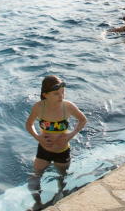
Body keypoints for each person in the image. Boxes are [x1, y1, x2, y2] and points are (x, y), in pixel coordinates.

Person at [25, 75, 87, 208]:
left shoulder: (68, 107)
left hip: (62, 152)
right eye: (56, 94)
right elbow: (29, 124)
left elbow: (83, 120)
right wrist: (38, 137)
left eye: (63, 92)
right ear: (45, 95)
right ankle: (37, 203)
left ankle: (60, 195)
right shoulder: (38, 107)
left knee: (62, 178)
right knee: (33, 183)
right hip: (43, 151)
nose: (61, 96)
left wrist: (71, 134)